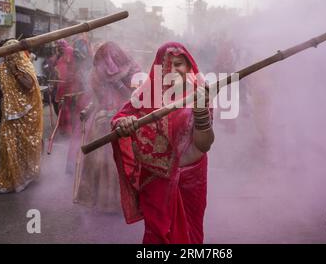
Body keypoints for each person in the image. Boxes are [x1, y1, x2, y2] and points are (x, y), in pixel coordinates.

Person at [111, 42, 214, 244]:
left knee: (190, 236)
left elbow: (204, 145)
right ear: (158, 69)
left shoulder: (199, 94)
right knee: (158, 235)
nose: (174, 70)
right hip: (157, 181)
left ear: (189, 66)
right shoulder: (146, 95)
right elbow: (120, 118)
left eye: (180, 64)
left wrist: (201, 111)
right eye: (169, 65)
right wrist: (124, 123)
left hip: (192, 179)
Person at [70, 42, 140, 212]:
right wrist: (87, 110)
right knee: (99, 162)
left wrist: (117, 82)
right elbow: (97, 99)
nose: (106, 65)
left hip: (125, 122)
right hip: (101, 122)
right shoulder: (97, 74)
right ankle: (101, 201)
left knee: (120, 162)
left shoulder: (133, 70)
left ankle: (122, 202)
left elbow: (136, 99)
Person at [0, 40, 43, 193]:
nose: (8, 56)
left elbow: (29, 86)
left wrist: (15, 72)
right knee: (5, 147)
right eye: (6, 53)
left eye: (11, 52)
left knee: (25, 147)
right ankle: (9, 179)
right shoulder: (0, 69)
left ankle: (26, 176)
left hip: (27, 115)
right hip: (8, 114)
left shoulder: (25, 66)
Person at [54, 39, 87, 136]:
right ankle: (71, 129)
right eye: (57, 47)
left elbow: (65, 71)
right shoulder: (64, 53)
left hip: (72, 85)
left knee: (67, 107)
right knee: (69, 107)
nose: (58, 49)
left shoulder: (70, 52)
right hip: (70, 84)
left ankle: (70, 130)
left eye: (59, 47)